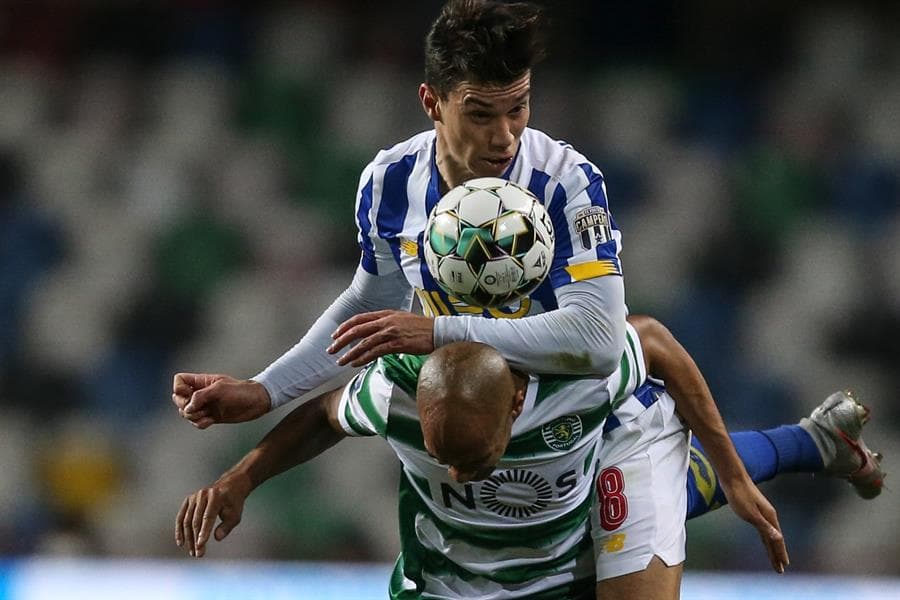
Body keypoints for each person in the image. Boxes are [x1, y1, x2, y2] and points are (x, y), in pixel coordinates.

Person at [174, 317, 884, 599]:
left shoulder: (573, 383)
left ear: (514, 407)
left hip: (589, 516)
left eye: (474, 457)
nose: (455, 476)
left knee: (627, 505)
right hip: (462, 578)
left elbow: (655, 343)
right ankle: (816, 441)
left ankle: (805, 444)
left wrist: (731, 468)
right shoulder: (391, 392)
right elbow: (321, 417)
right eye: (441, 456)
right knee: (614, 492)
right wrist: (240, 480)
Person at [173, 0, 629, 428]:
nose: (505, 136)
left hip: (586, 428)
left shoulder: (565, 182)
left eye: (518, 108)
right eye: (481, 115)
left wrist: (437, 333)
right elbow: (372, 306)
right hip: (476, 429)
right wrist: (264, 389)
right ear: (432, 102)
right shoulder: (389, 182)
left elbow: (599, 340)